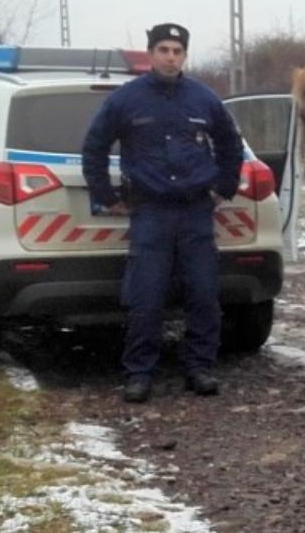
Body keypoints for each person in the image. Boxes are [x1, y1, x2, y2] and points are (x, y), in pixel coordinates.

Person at [82, 22, 244, 403]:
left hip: (195, 212)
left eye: (177, 51)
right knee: (146, 296)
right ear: (151, 54)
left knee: (203, 293)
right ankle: (139, 373)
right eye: (164, 50)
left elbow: (230, 145)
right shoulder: (127, 100)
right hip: (151, 211)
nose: (171, 57)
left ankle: (200, 367)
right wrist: (105, 194)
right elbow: (95, 147)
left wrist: (223, 187)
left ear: (185, 55)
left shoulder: (203, 99)